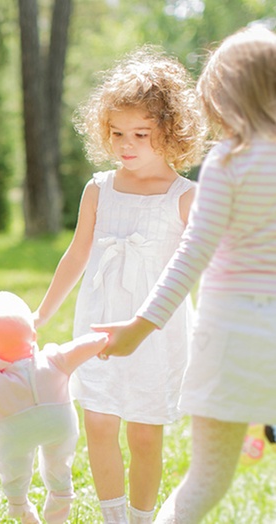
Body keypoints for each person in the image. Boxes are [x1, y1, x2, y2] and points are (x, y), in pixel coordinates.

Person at [93, 25, 276, 523]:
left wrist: (139, 326)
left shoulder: (229, 161)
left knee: (205, 480)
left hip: (231, 340)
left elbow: (193, 251)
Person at [32, 47, 207, 524]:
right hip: (99, 325)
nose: (126, 145)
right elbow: (76, 255)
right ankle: (113, 519)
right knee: (100, 423)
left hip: (154, 333)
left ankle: (141, 518)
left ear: (170, 132)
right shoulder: (99, 189)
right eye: (117, 133)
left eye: (140, 134)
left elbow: (202, 266)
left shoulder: (186, 197)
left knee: (146, 435)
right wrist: (41, 315)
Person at [0, 291, 109, 524]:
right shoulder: (55, 359)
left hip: (15, 432)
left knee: (14, 466)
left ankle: (20, 505)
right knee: (59, 463)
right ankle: (60, 501)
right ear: (34, 336)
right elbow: (82, 346)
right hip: (59, 423)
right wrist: (104, 339)